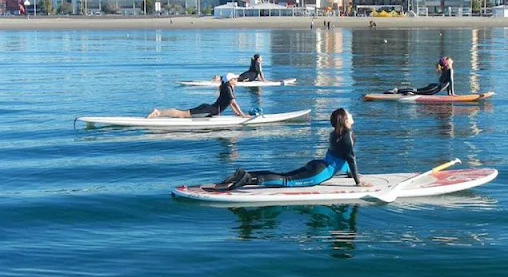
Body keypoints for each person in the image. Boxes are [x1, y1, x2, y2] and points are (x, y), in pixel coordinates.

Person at [212, 108, 371, 191]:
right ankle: (248, 179)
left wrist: (351, 174)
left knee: (283, 175)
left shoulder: (334, 134)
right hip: (319, 173)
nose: (351, 114)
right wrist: (358, 182)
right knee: (286, 181)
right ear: (344, 119)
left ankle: (246, 174)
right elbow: (350, 158)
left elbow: (342, 159)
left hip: (317, 165)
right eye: (348, 114)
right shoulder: (348, 134)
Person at [147, 73, 249, 118]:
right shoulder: (227, 88)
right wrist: (242, 115)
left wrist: (237, 114)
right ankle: (158, 113)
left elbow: (229, 103)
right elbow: (233, 103)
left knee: (183, 113)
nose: (237, 80)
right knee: (182, 114)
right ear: (230, 81)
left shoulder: (227, 88)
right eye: (234, 79)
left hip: (210, 109)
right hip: (209, 110)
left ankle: (160, 113)